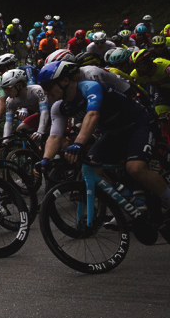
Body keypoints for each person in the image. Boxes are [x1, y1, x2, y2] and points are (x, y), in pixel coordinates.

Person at [36, 61, 170, 209]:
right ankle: (127, 204)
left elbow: (93, 115)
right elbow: (54, 136)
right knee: (90, 168)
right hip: (115, 133)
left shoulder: (90, 87)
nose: (46, 92)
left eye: (48, 87)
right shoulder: (58, 107)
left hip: (139, 125)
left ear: (65, 81)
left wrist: (78, 143)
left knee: (135, 168)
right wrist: (45, 159)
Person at [0, 68, 50, 146]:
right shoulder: (10, 101)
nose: (6, 92)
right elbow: (8, 122)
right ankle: (36, 152)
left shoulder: (36, 90)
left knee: (48, 131)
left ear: (19, 85)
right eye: (4, 89)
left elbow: (44, 111)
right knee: (20, 130)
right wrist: (5, 141)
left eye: (7, 88)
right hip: (40, 115)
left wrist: (40, 132)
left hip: (54, 113)